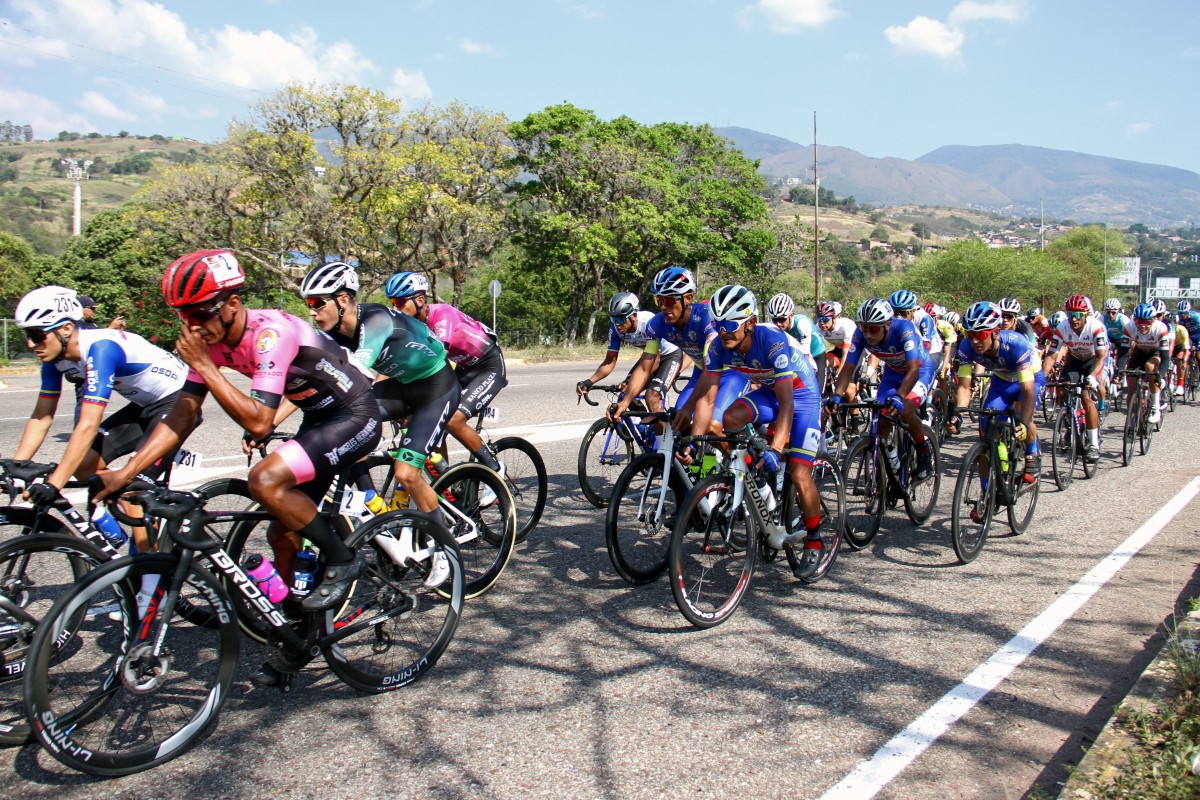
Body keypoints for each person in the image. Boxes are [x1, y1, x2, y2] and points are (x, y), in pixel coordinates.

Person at [95, 250, 381, 624]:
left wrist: (204, 367)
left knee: (263, 480)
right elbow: (183, 414)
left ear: (231, 304)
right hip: (318, 418)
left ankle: (344, 559)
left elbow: (260, 422)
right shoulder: (212, 343)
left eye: (199, 314)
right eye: (183, 317)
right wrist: (127, 473)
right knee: (282, 533)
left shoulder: (269, 334)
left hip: (355, 414)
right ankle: (298, 629)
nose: (192, 326)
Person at [13, 285, 199, 553]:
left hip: (180, 402)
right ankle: (132, 510)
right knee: (85, 465)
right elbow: (42, 415)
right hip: (146, 405)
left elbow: (88, 423)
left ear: (65, 328)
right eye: (27, 336)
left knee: (134, 487)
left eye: (36, 335)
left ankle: (151, 583)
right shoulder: (53, 357)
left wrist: (55, 484)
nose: (31, 345)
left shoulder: (101, 348)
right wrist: (18, 465)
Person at [298, 261, 460, 523]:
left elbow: (357, 375)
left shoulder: (376, 320)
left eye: (317, 303)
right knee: (346, 432)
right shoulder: (334, 333)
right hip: (402, 386)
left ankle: (445, 550)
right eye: (309, 305)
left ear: (342, 300)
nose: (312, 312)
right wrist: (269, 420)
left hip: (437, 389)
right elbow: (309, 380)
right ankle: (372, 501)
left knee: (406, 474)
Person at [688, 285, 825, 579]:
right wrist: (694, 443)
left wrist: (777, 448)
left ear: (750, 322)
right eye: (717, 324)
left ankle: (814, 540)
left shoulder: (772, 340)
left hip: (801, 397)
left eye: (730, 324)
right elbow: (708, 398)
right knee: (729, 417)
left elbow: (787, 404)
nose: (723, 331)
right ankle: (757, 473)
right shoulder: (717, 347)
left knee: (799, 473)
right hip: (769, 390)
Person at [384, 271, 508, 480]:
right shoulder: (412, 325)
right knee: (432, 420)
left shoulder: (442, 314)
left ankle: (496, 471)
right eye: (393, 303)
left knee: (452, 420)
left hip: (488, 366)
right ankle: (446, 481)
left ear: (420, 300)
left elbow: (434, 359)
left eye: (399, 302)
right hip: (462, 369)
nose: (395, 308)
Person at [610, 266, 746, 435]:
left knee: (711, 427)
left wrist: (689, 408)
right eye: (658, 301)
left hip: (731, 373)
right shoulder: (658, 323)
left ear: (687, 298)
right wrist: (626, 401)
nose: (663, 307)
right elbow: (645, 367)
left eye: (668, 301)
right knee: (678, 427)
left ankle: (739, 459)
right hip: (701, 373)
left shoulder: (706, 318)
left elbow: (710, 368)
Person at [827, 298, 936, 481]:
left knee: (905, 411)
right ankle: (882, 475)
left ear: (886, 324)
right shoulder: (860, 335)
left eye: (874, 328)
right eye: (864, 327)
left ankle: (923, 450)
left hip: (920, 371)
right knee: (882, 419)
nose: (868, 334)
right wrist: (837, 396)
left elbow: (914, 370)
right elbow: (848, 368)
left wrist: (900, 397)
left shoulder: (903, 330)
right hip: (893, 374)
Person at [951, 301, 1042, 488]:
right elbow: (964, 387)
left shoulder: (1016, 344)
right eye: (969, 334)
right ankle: (987, 492)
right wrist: (958, 415)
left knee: (1020, 414)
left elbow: (1027, 391)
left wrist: (1024, 423)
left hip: (1028, 379)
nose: (974, 340)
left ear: (995, 332)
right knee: (987, 431)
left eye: (980, 334)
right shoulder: (967, 347)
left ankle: (1032, 453)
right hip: (1001, 381)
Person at [576, 291, 684, 416]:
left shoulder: (648, 322)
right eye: (613, 318)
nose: (617, 323)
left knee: (652, 397)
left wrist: (630, 383)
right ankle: (647, 428)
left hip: (670, 355)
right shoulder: (615, 329)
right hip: (649, 356)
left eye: (620, 319)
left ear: (633, 315)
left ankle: (663, 433)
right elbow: (609, 361)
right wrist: (590, 381)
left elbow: (654, 363)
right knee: (625, 394)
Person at [1041, 294, 1109, 463]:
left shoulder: (1096, 327)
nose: (1073, 319)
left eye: (1078, 315)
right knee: (1063, 389)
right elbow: (1051, 355)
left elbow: (1102, 357)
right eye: (1070, 314)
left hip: (1093, 362)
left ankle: (1093, 444)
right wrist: (1040, 379)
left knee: (1086, 397)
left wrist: (1094, 376)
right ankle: (1069, 423)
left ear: (1086, 314)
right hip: (1075, 361)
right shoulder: (1063, 327)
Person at [765, 292, 827, 391]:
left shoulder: (802, 323)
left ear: (791, 315)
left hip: (815, 355)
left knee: (816, 392)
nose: (778, 324)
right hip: (794, 356)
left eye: (782, 319)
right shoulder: (772, 326)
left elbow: (805, 356)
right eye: (775, 320)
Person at [1122, 303, 1171, 424]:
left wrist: (1160, 374)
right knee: (1131, 386)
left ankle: (1155, 407)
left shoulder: (1161, 328)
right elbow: (1123, 353)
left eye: (1147, 322)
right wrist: (1119, 369)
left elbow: (1165, 357)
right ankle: (1132, 419)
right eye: (1139, 321)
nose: (1143, 326)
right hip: (1139, 352)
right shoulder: (1129, 327)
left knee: (1150, 367)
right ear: (1134, 320)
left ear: (1153, 320)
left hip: (1156, 352)